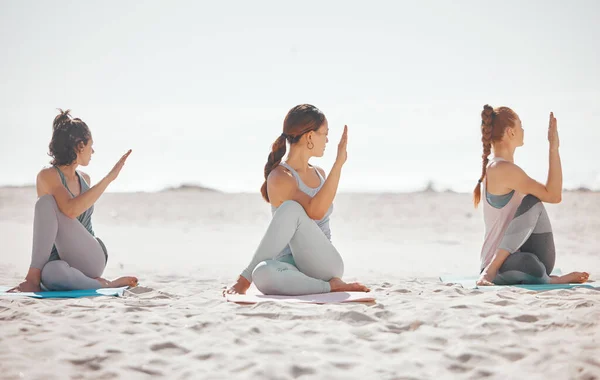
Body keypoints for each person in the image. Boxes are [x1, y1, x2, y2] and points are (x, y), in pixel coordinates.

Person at [225, 104, 369, 296]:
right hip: (288, 266)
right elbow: (313, 209)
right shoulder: (280, 177)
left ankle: (243, 280)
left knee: (291, 209)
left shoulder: (320, 173)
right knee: (262, 273)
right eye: (324, 134)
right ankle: (329, 287)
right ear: (310, 136)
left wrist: (338, 165)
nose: (327, 140)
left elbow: (316, 212)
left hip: (323, 265)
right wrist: (338, 163)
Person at [10, 109, 138, 292]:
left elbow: (71, 211)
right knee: (52, 275)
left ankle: (32, 278)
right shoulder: (48, 175)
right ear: (79, 146)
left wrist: (110, 178)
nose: (92, 151)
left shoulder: (85, 179)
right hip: (59, 261)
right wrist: (109, 178)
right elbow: (70, 209)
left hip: (90, 257)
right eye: (90, 145)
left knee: (46, 203)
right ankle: (104, 284)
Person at [474, 104, 589, 286]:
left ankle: (547, 277)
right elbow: (552, 195)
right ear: (511, 132)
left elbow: (554, 195)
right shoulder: (500, 168)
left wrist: (554, 148)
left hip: (521, 259)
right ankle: (490, 270)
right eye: (521, 125)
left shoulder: (505, 168)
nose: (523, 130)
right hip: (503, 266)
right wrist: (553, 148)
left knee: (534, 203)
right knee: (532, 202)